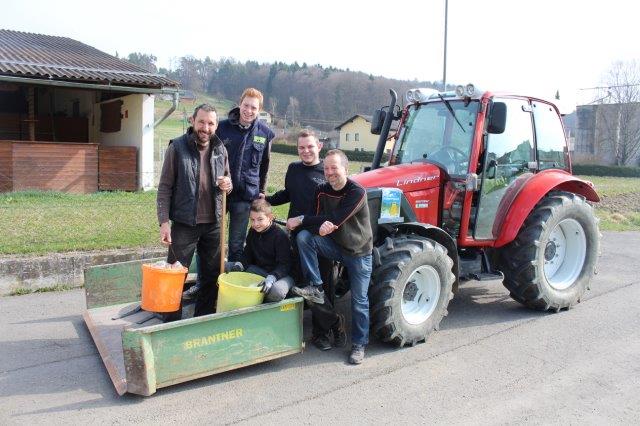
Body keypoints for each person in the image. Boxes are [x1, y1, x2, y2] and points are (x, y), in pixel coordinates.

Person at [289, 149, 373, 365]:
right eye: (326, 168)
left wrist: (304, 219)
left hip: (358, 253)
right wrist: (306, 222)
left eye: (334, 168)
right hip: (335, 247)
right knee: (305, 237)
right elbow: (317, 219)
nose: (329, 172)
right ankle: (315, 286)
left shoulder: (357, 192)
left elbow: (337, 218)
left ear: (345, 169)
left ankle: (359, 344)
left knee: (359, 300)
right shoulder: (321, 190)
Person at [267, 130, 346, 352]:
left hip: (320, 238)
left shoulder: (327, 172)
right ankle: (308, 325)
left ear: (319, 146)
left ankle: (324, 333)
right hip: (297, 236)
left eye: (310, 146)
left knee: (321, 286)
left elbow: (336, 209)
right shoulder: (293, 169)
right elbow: (289, 194)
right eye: (301, 147)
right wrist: (268, 200)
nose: (306, 151)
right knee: (303, 283)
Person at [157, 103, 232, 319]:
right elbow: (164, 187)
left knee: (211, 277)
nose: (205, 128)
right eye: (201, 122)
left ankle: (203, 320)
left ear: (216, 125)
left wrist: (228, 183)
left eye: (210, 123)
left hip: (214, 224)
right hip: (184, 223)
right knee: (175, 275)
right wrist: (164, 222)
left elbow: (228, 181)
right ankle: (171, 322)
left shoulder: (221, 149)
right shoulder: (177, 148)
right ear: (192, 120)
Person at [216, 88, 275, 262]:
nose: (249, 111)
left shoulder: (264, 134)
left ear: (259, 110)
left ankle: (233, 279)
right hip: (219, 192)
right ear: (239, 104)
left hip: (245, 196)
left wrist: (262, 190)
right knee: (212, 239)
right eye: (246, 105)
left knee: (236, 242)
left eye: (254, 108)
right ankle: (209, 279)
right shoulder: (222, 128)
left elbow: (265, 164)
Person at [230, 199, 295, 302]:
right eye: (252, 220)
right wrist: (240, 264)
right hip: (262, 272)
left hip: (281, 275)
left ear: (270, 217)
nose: (256, 224)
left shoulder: (280, 236)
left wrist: (273, 277)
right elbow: (247, 254)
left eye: (260, 219)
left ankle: (284, 295)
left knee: (276, 292)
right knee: (227, 268)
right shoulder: (253, 231)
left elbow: (285, 265)